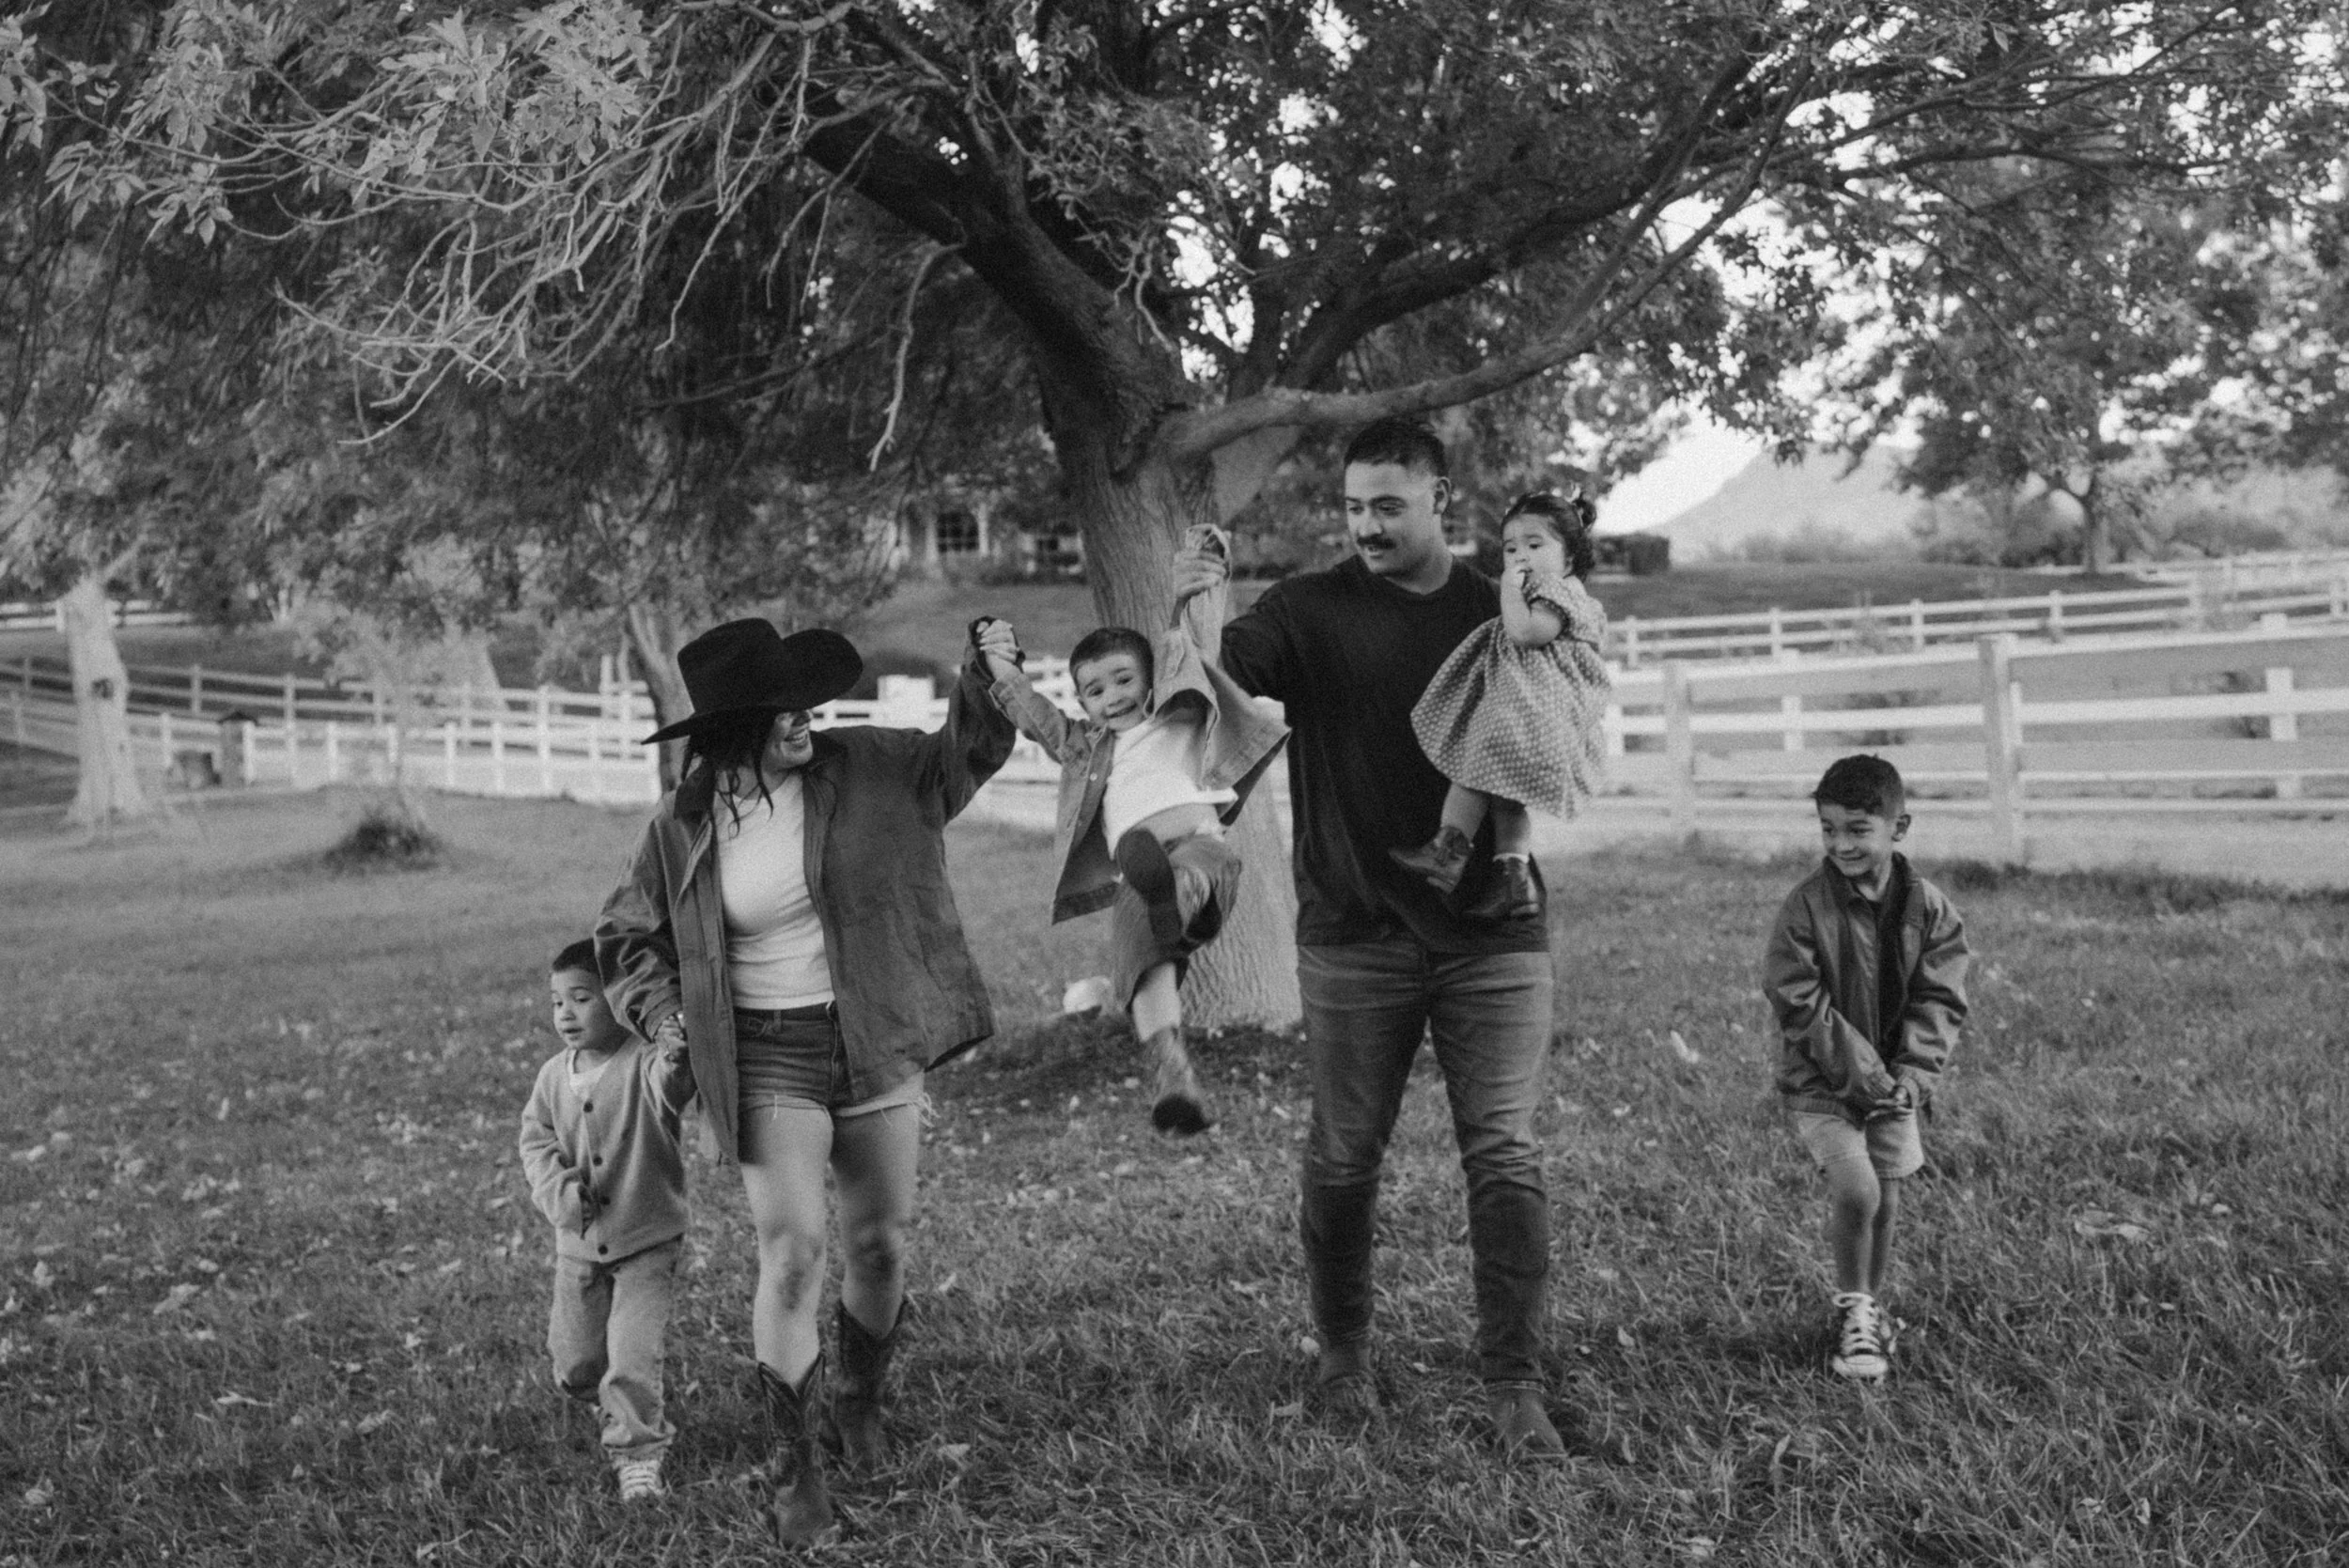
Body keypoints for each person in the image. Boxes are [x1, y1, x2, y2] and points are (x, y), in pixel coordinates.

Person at [1171, 417, 1566, 1459]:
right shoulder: (1304, 610)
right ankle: (1343, 1356)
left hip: (1495, 930)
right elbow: (1227, 680)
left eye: (1388, 504)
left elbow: (1564, 715)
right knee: (1345, 1157)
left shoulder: (1502, 608)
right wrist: (1195, 617)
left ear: (1443, 497)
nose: (1366, 525)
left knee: (1507, 1155)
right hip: (1353, 929)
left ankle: (1515, 1379)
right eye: (1352, 507)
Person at [596, 617, 1016, 1544]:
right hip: (763, 1052)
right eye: (778, 709)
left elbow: (966, 752)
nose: (803, 718)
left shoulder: (867, 764)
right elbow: (626, 939)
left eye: (804, 701)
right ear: (728, 730)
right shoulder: (682, 826)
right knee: (793, 1249)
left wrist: (987, 676)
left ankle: (857, 1398)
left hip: (871, 1033)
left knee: (880, 1242)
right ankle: (795, 1465)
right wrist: (666, 1022)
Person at [976, 528, 1288, 1134]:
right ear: (1084, 704)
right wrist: (998, 663)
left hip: (1201, 853)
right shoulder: (1086, 748)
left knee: (1184, 877)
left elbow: (1185, 645)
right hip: (1142, 879)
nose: (1111, 697)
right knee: (1142, 961)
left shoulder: (1179, 711)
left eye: (1123, 680)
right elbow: (1035, 714)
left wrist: (1187, 588)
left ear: (1148, 681)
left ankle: (1177, 901)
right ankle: (1173, 1075)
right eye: (1094, 691)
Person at [1761, 754, 1968, 1381]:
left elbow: (1941, 997)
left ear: (1897, 827)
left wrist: (1912, 1075)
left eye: (1857, 829)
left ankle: (1870, 1312)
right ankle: (1851, 1305)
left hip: (1897, 1085)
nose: (1841, 843)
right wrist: (1871, 1080)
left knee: (1887, 1196)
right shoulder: (1805, 907)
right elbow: (1799, 1001)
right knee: (1858, 1189)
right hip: (1823, 1080)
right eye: (1829, 829)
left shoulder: (1930, 908)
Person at [520, 939, 697, 1501]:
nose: (566, 1013)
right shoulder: (553, 1077)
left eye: (582, 999)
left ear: (618, 1001)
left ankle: (638, 1453)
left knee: (630, 1355)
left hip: (647, 1238)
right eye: (557, 1002)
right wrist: (559, 1192)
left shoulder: (644, 1061)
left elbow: (671, 1088)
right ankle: (609, 1401)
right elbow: (536, 1141)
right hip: (579, 1245)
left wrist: (676, 1053)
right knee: (577, 1366)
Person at [1392, 488, 1613, 920]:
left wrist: (1510, 594)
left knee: (1476, 767)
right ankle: (1514, 883)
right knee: (1507, 800)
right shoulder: (1563, 592)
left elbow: (1527, 633)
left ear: (1569, 559)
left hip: (1531, 714)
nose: (1520, 558)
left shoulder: (1556, 593)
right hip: (1536, 714)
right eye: (1511, 548)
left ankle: (1446, 851)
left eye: (1535, 545)